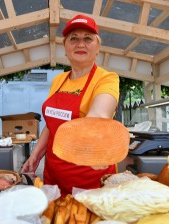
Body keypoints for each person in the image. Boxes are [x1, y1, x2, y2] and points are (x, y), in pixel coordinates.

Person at [21, 14, 120, 197]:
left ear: (97, 48)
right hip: (54, 178)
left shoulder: (107, 78)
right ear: (65, 47)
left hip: (90, 179)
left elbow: (99, 116)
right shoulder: (59, 80)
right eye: (73, 39)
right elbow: (52, 125)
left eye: (87, 39)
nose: (80, 44)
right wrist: (35, 155)